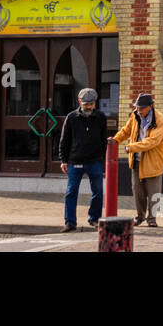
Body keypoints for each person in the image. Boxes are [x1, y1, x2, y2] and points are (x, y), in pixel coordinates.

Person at [58, 87, 108, 233]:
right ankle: (70, 223)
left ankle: (94, 219)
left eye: (91, 104)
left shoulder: (100, 117)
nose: (88, 107)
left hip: (95, 161)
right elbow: (64, 140)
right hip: (75, 161)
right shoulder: (71, 117)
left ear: (95, 103)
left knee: (98, 191)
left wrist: (102, 159)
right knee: (71, 192)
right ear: (80, 102)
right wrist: (63, 160)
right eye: (86, 104)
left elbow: (102, 140)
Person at [112, 93, 163, 227]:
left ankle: (153, 219)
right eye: (137, 107)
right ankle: (140, 216)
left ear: (151, 106)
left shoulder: (159, 119)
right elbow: (126, 130)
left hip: (153, 161)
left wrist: (131, 147)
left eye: (142, 108)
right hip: (137, 160)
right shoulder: (135, 115)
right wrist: (115, 140)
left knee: (154, 193)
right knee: (138, 191)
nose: (139, 110)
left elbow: (152, 141)